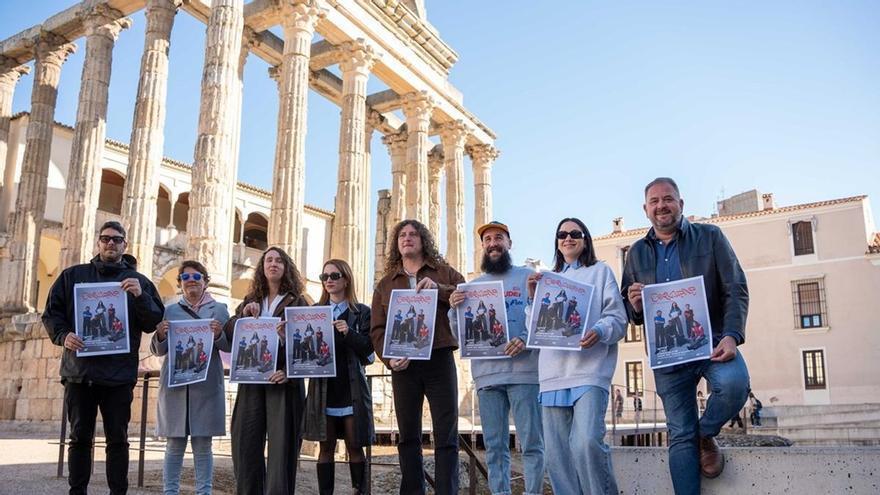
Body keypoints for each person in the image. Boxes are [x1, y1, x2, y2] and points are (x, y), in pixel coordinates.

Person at [622, 177, 750, 493]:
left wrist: (732, 335)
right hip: (667, 356)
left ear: (681, 203)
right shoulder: (636, 252)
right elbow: (633, 313)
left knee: (734, 385)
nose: (661, 205)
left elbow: (735, 288)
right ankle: (696, 441)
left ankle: (704, 434)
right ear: (645, 209)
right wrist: (634, 304)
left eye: (668, 199)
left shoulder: (710, 236)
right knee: (677, 435)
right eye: (654, 201)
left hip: (713, 340)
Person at [42, 221, 164, 495]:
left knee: (118, 440)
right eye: (106, 239)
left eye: (117, 240)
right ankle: (77, 491)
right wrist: (64, 336)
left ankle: (118, 492)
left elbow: (153, 321)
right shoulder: (72, 276)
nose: (111, 243)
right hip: (79, 372)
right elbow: (51, 314)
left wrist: (140, 296)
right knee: (79, 438)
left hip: (119, 377)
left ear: (125, 245)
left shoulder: (140, 282)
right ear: (98, 243)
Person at [526, 217, 626, 494]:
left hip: (589, 372)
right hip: (552, 375)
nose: (567, 238)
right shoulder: (547, 279)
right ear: (556, 243)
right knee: (557, 457)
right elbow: (532, 330)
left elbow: (617, 317)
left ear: (585, 239)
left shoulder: (600, 271)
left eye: (574, 233)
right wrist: (533, 299)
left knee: (586, 443)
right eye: (561, 234)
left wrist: (599, 329)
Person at [448, 222, 545, 495]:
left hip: (525, 374)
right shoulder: (471, 287)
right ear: (482, 246)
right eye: (488, 239)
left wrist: (526, 339)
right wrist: (455, 309)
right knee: (494, 446)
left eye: (499, 238)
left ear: (509, 244)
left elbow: (545, 319)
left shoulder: (529, 277)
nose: (493, 243)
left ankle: (534, 492)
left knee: (532, 443)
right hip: (487, 376)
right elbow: (460, 336)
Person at [370, 219, 465, 495]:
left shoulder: (444, 272)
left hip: (439, 358)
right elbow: (377, 329)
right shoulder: (385, 284)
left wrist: (441, 291)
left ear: (423, 240)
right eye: (402, 235)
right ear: (396, 244)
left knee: (446, 434)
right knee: (408, 436)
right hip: (404, 365)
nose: (407, 238)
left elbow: (467, 296)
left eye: (413, 234)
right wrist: (389, 359)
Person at [223, 247, 310, 495]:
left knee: (282, 450)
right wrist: (242, 316)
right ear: (262, 267)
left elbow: (308, 346)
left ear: (286, 268)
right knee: (245, 443)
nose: (273, 264)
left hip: (282, 383)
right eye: (269, 260)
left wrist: (289, 371)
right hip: (251, 381)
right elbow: (229, 334)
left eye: (279, 261)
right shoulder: (251, 300)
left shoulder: (298, 301)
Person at [151, 260, 231, 495]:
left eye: (196, 277)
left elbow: (227, 347)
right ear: (180, 284)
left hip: (205, 386)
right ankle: (170, 492)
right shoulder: (170, 310)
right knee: (173, 445)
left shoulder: (220, 310)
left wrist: (218, 335)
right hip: (176, 385)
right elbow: (157, 350)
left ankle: (203, 492)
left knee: (203, 446)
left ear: (205, 281)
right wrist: (160, 334)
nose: (191, 281)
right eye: (185, 278)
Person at [303, 259, 375, 495]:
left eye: (334, 276)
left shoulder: (362, 312)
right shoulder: (313, 313)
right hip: (323, 390)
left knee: (355, 447)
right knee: (325, 448)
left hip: (351, 388)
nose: (329, 281)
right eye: (325, 277)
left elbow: (368, 350)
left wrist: (348, 332)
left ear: (346, 279)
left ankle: (359, 492)